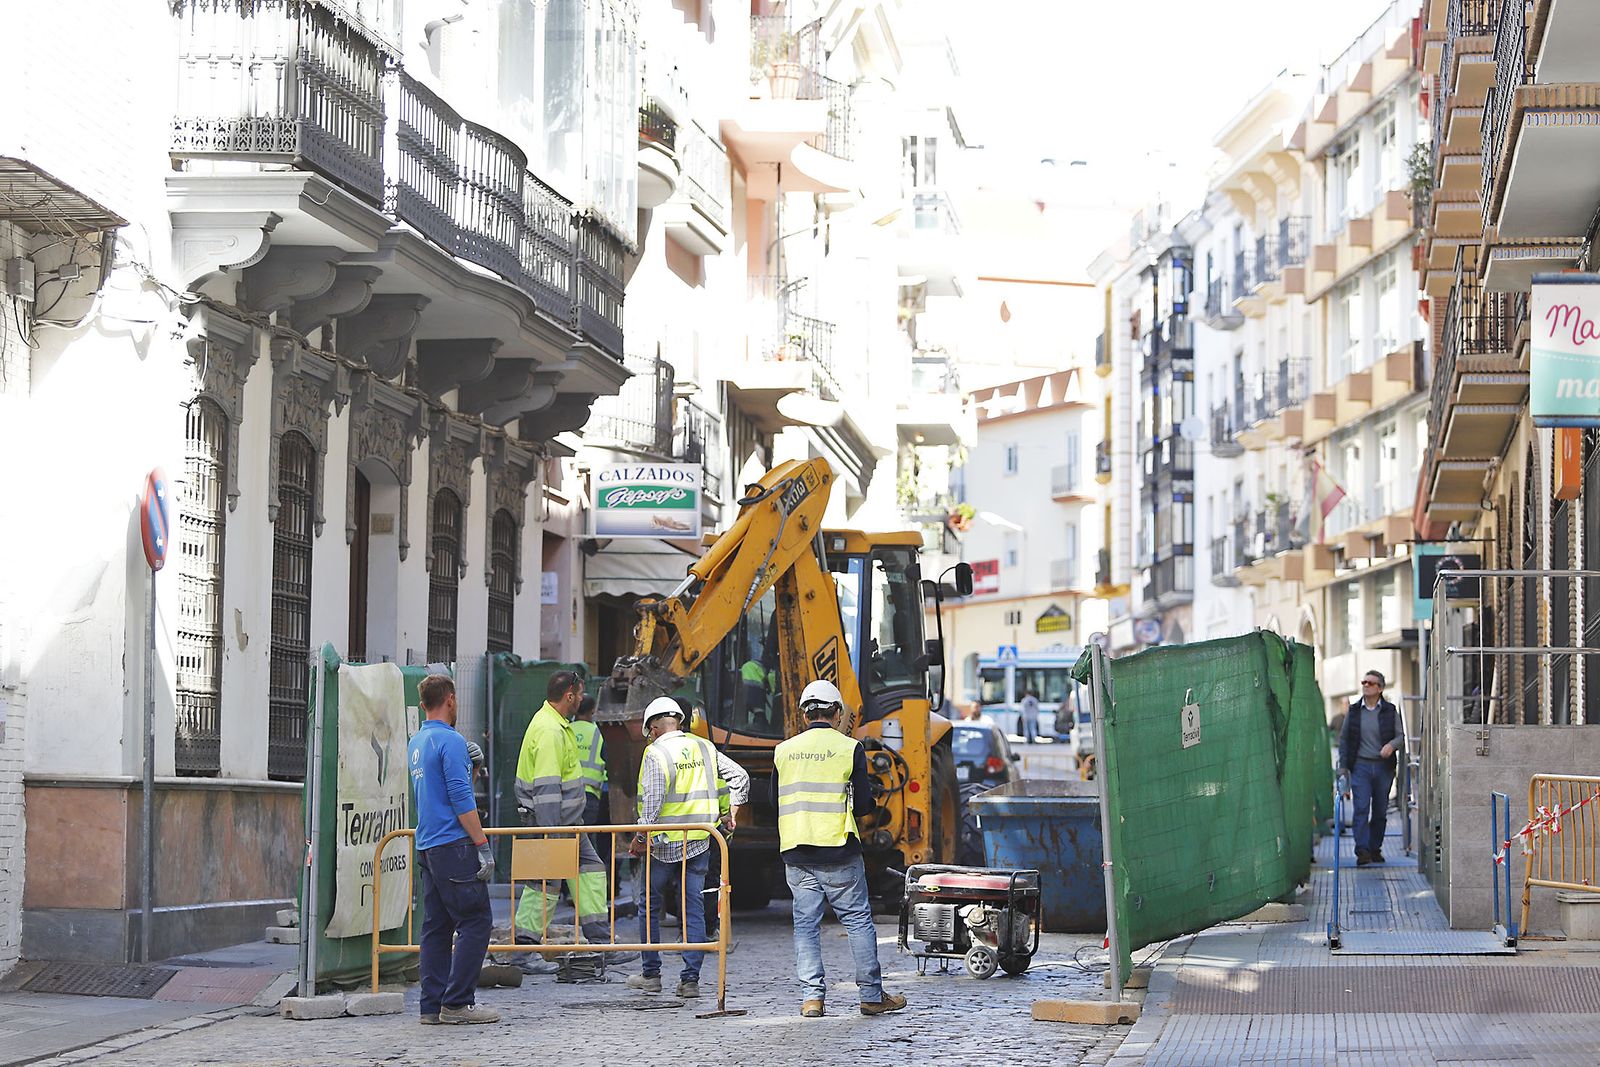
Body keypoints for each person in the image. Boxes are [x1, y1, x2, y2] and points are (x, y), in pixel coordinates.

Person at [773, 679, 907, 1019]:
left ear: (805, 716)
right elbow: (863, 806)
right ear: (836, 713)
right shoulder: (850, 748)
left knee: (805, 925)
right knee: (858, 921)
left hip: (796, 849)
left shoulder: (783, 751)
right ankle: (871, 996)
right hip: (837, 848)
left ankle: (812, 999)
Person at [625, 697, 749, 999]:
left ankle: (651, 975)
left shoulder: (655, 752)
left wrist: (640, 838)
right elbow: (741, 777)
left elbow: (652, 805)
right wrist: (733, 810)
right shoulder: (704, 747)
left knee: (650, 908)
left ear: (653, 728)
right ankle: (690, 980)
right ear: (678, 721)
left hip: (663, 848)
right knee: (692, 907)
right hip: (700, 842)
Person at [406, 674, 500, 1025]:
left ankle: (431, 1007)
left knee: (437, 927)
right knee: (476, 921)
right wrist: (482, 845)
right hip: (454, 844)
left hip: (428, 844)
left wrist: (469, 769)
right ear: (450, 699)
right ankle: (458, 1003)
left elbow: (438, 791)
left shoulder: (416, 741)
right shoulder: (452, 741)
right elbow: (462, 801)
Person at [513, 672, 614, 948]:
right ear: (569, 695)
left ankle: (600, 943)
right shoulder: (550, 730)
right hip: (553, 824)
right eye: (579, 694)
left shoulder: (556, 725)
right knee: (544, 884)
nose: (581, 700)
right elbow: (546, 788)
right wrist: (551, 833)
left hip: (568, 824)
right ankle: (523, 949)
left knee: (591, 870)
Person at [1338, 669, 1404, 867]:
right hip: (1361, 766)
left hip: (1384, 768)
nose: (1365, 685)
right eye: (1364, 682)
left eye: (1370, 683)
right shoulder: (1354, 711)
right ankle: (1362, 851)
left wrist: (1391, 746)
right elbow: (1344, 739)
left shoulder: (1390, 711)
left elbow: (1401, 736)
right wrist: (1343, 767)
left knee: (1380, 811)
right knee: (1361, 809)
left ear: (1380, 688)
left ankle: (1375, 848)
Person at [570, 696, 610, 869]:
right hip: (591, 794)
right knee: (587, 843)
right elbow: (607, 762)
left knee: (568, 841)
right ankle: (586, 885)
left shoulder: (565, 730)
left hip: (567, 794)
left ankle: (566, 889)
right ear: (592, 711)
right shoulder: (599, 733)